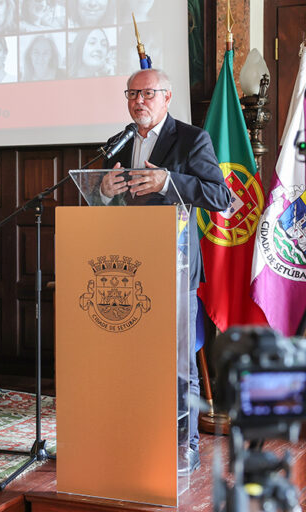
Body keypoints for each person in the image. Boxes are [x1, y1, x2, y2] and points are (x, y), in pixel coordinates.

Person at [100, 69, 232, 473]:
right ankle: (136, 438)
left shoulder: (192, 139)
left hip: (174, 268)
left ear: (167, 97)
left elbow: (220, 196)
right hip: (125, 269)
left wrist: (168, 180)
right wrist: (102, 192)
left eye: (147, 93)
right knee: (132, 362)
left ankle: (186, 446)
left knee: (177, 366)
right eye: (132, 94)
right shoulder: (119, 142)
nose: (138, 101)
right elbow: (104, 197)